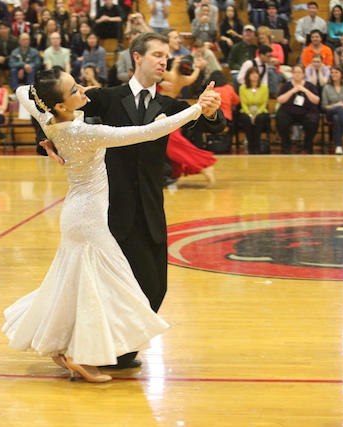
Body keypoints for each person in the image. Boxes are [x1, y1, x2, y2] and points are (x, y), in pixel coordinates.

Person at [4, 68, 207, 382]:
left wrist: (47, 135)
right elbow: (148, 133)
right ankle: (80, 354)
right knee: (107, 288)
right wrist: (198, 108)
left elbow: (21, 91)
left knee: (73, 284)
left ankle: (63, 344)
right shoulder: (80, 132)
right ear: (60, 105)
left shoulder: (51, 121)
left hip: (78, 214)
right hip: (89, 220)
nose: (83, 89)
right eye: (73, 90)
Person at [43, 32, 225, 369]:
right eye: (157, 55)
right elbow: (56, 105)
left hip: (152, 208)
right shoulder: (108, 98)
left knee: (157, 288)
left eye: (166, 57)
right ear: (136, 58)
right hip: (111, 209)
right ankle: (107, 353)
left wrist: (211, 112)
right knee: (122, 285)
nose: (163, 61)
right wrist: (51, 137)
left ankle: (116, 350)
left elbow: (212, 128)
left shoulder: (168, 106)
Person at [275, 64, 320, 154]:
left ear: (303, 74)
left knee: (313, 121)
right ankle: (286, 146)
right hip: (288, 112)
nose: (297, 74)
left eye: (299, 72)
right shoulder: (287, 85)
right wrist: (292, 91)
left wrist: (305, 90)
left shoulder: (309, 85)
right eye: (295, 72)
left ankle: (307, 146)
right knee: (281, 118)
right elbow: (280, 100)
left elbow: (316, 101)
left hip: (306, 111)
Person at [238, 66, 270, 153]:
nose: (255, 75)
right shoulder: (242, 88)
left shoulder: (264, 88)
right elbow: (243, 103)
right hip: (247, 111)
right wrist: (250, 115)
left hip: (260, 111)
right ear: (248, 76)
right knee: (246, 119)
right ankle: (250, 144)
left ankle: (257, 144)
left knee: (259, 118)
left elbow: (264, 103)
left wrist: (256, 114)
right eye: (252, 73)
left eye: (256, 73)